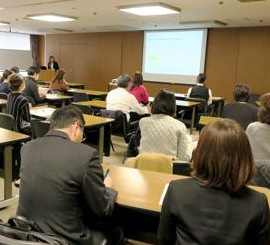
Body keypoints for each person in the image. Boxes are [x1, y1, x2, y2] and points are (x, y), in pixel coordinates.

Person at [17, 106, 122, 245]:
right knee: (117, 229)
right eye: (82, 134)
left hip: (25, 232)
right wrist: (108, 188)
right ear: (76, 126)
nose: (81, 139)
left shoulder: (27, 147)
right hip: (64, 239)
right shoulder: (86, 154)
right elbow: (102, 210)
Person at [158, 119, 270, 244]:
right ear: (245, 156)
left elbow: (165, 238)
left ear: (201, 152)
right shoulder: (259, 202)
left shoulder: (176, 190)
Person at [139, 89, 192, 161]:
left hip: (144, 167)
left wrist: (152, 114)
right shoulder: (180, 126)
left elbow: (157, 128)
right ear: (173, 106)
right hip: (168, 169)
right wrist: (190, 148)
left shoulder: (143, 122)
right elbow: (183, 158)